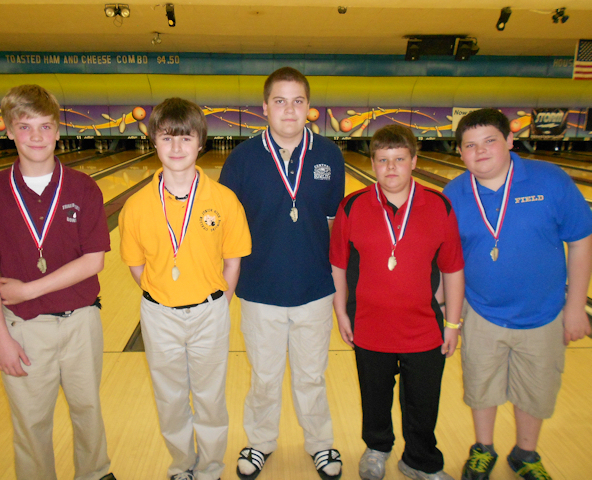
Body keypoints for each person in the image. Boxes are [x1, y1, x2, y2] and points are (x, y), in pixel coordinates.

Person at [0, 85, 114, 480]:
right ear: (9, 130)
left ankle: (95, 473)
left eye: (45, 127)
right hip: (24, 330)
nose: (35, 137)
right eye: (25, 127)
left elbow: (94, 260)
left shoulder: (83, 188)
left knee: (89, 411)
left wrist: (30, 288)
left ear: (57, 130)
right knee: (30, 423)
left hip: (82, 322)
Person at [444, 108, 592, 480]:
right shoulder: (453, 193)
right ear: (460, 153)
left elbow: (580, 241)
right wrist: (448, 311)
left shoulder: (551, 180)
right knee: (481, 385)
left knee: (537, 389)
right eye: (470, 145)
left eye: (490, 141)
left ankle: (525, 453)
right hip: (480, 311)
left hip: (544, 312)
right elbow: (447, 259)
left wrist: (576, 306)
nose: (480, 152)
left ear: (510, 141)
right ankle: (483, 448)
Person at [219, 67, 345, 480]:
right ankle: (259, 442)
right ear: (264, 108)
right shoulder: (241, 160)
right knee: (265, 377)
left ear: (309, 108)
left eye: (297, 101)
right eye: (280, 100)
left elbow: (331, 221)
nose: (289, 109)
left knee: (311, 376)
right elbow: (228, 230)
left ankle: (321, 444)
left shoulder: (329, 154)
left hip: (314, 289)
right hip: (259, 291)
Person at [119, 97, 251, 480]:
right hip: (158, 314)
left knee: (210, 398)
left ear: (201, 143)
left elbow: (233, 261)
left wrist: (215, 302)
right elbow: (136, 265)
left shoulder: (224, 201)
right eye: (166, 138)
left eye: (185, 138)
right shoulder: (137, 206)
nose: (176, 148)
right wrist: (163, 297)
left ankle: (210, 468)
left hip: (210, 311)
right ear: (153, 143)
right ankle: (182, 465)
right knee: (171, 399)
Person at [330, 125, 465, 480]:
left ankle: (420, 460)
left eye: (400, 159)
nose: (391, 168)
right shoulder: (353, 206)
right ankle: (377, 447)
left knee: (423, 401)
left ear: (414, 161)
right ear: (372, 163)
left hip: (424, 327)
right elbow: (338, 264)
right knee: (374, 396)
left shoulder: (439, 205)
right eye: (383, 160)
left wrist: (453, 323)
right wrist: (341, 311)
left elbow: (453, 268)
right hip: (370, 325)